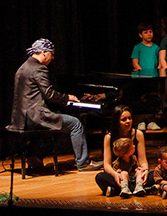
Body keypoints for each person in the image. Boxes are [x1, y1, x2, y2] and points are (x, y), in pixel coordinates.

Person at [11, 38, 101, 172]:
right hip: (35, 116)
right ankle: (83, 163)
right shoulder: (39, 68)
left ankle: (35, 155)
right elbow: (49, 94)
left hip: (20, 118)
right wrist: (67, 97)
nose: (53, 58)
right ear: (44, 53)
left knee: (57, 125)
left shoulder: (23, 67)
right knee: (75, 124)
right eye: (52, 54)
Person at [95, 105, 150, 196]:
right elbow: (107, 165)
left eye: (129, 118)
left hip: (135, 175)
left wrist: (145, 171)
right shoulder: (109, 137)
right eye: (124, 120)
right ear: (117, 122)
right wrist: (115, 175)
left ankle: (118, 190)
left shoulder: (138, 134)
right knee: (100, 177)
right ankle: (138, 189)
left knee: (153, 175)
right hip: (119, 174)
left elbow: (143, 161)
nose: (128, 121)